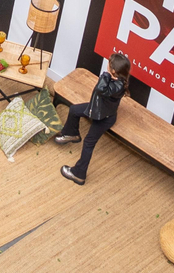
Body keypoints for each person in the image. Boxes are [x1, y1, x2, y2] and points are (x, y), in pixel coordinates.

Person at [54, 51, 132, 185]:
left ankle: (79, 174)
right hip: (96, 108)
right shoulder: (117, 80)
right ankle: (71, 134)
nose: (107, 65)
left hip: (103, 117)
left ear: (113, 70)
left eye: (109, 64)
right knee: (73, 110)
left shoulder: (116, 85)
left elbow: (100, 88)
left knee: (89, 143)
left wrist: (106, 75)